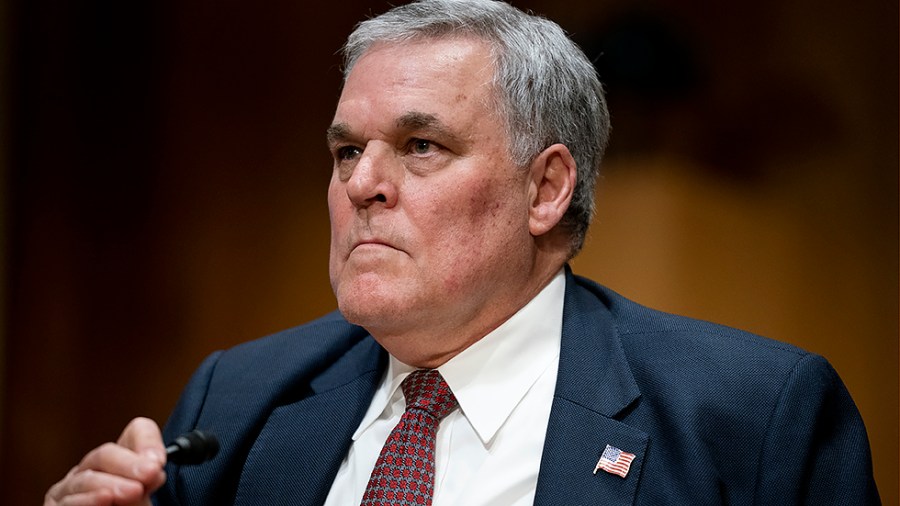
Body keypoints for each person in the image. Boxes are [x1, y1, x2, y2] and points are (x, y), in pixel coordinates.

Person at [45, 1, 880, 505]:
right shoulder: (237, 399)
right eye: (345, 152)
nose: (360, 184)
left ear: (546, 189)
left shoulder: (751, 418)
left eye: (420, 146)